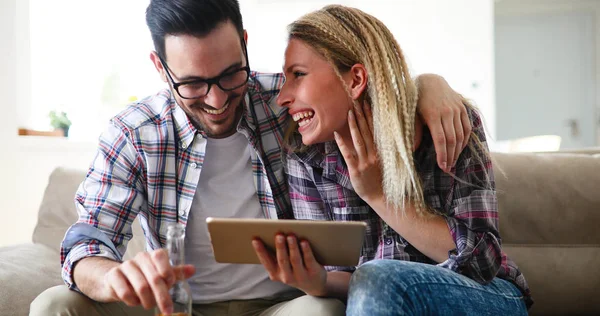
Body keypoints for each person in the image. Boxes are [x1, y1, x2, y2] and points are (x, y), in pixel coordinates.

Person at [30, 1, 471, 315]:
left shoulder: (287, 101)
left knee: (321, 314)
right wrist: (109, 278)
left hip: (281, 304)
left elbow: (361, 86)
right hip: (172, 306)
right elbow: (87, 242)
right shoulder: (134, 132)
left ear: (243, 43)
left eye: (229, 73)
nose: (218, 99)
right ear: (160, 68)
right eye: (194, 85)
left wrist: (430, 85)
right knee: (53, 305)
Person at [251, 4, 532, 315]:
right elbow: (354, 283)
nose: (282, 97)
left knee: (377, 278)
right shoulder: (307, 158)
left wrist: (378, 195)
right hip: (380, 299)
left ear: (355, 79)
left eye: (298, 75)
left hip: (484, 295)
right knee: (372, 281)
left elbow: (482, 262)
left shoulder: (448, 124)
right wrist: (320, 281)